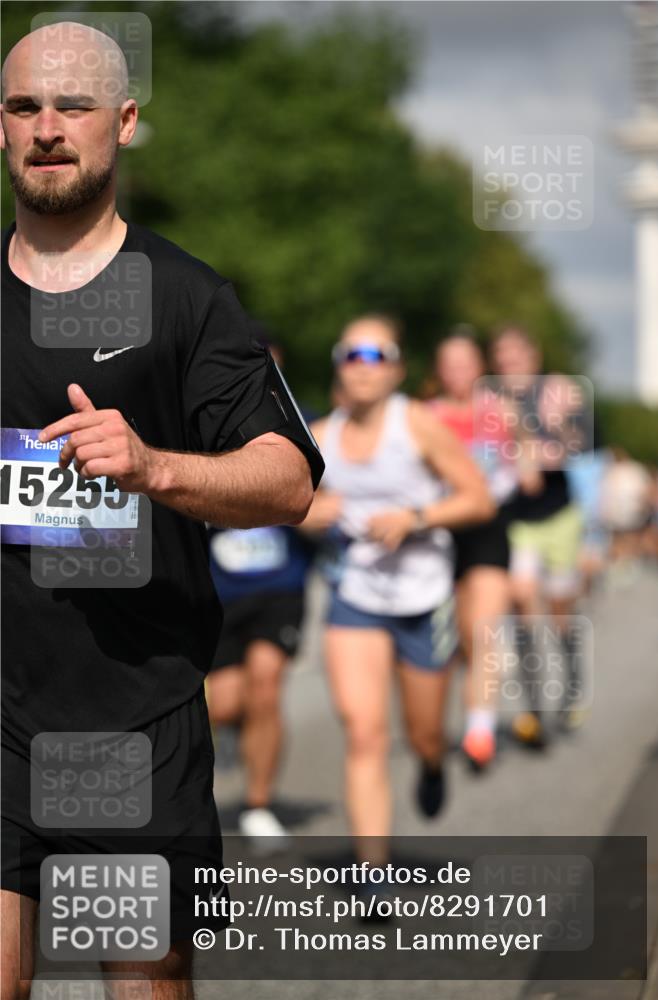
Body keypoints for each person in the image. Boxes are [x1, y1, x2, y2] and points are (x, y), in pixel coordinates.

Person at [0, 24, 323, 1000]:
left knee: (141, 976)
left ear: (125, 122)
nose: (48, 128)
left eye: (74, 106)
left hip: (129, 713)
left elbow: (289, 481)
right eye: (24, 107)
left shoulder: (184, 298)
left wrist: (153, 469)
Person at [301, 315, 494, 879]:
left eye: (376, 354)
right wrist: (314, 515)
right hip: (355, 595)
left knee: (424, 733)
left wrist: (416, 517)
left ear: (398, 369)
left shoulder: (417, 425)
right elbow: (291, 504)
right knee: (364, 732)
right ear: (339, 366)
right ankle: (372, 872)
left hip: (423, 596)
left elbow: (478, 500)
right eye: (351, 353)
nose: (363, 365)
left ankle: (433, 764)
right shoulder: (321, 436)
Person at [206, 329, 317, 846]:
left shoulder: (301, 426)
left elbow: (326, 500)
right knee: (224, 705)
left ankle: (257, 804)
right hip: (221, 591)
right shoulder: (201, 423)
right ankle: (233, 740)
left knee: (267, 686)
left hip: (281, 586)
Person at [489, 325, 586, 743]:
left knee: (560, 610)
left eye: (516, 354)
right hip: (520, 520)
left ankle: (572, 684)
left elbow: (576, 444)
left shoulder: (560, 391)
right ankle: (534, 707)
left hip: (559, 514)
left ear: (534, 356)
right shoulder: (490, 399)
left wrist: (532, 430)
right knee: (524, 598)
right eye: (502, 356)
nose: (509, 362)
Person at [427, 331, 516, 771]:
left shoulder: (502, 414)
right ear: (439, 370)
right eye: (450, 363)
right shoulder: (426, 417)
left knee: (485, 632)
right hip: (441, 532)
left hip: (488, 528)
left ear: (479, 367)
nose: (459, 372)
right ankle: (467, 711)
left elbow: (522, 472)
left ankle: (479, 730)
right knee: (463, 637)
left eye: (466, 362)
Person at [599, 447, 653, 584]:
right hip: (625, 513)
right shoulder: (629, 470)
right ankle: (626, 564)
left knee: (624, 539)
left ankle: (625, 564)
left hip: (623, 514)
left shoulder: (611, 471)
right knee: (626, 539)